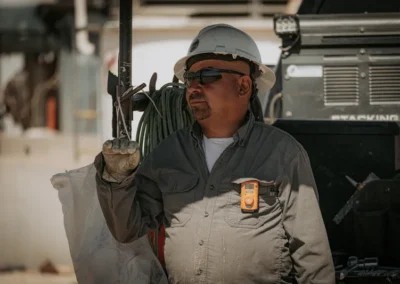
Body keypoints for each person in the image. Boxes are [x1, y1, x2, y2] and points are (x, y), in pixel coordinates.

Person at [95, 24, 335, 284]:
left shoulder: (283, 154)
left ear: (243, 86)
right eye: (189, 78)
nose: (193, 87)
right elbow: (127, 229)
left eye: (208, 76)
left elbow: (312, 255)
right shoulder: (168, 154)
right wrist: (117, 179)